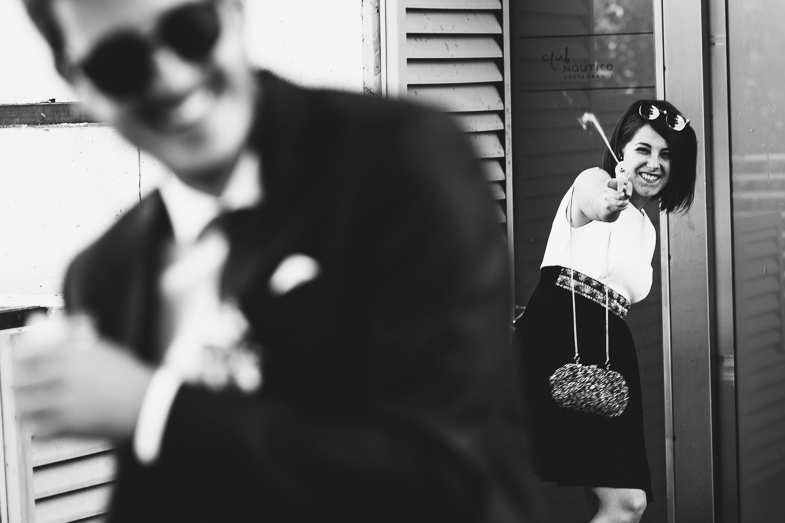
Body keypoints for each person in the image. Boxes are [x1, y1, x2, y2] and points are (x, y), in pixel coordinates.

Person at [13, 0, 537, 522]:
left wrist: (155, 409)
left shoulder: (398, 162)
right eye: (119, 63)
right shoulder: (105, 275)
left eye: (190, 29)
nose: (170, 76)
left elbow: (449, 480)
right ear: (77, 81)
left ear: (233, 11)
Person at [514, 100, 697, 523]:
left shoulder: (647, 229)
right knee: (627, 503)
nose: (654, 163)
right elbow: (599, 202)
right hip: (564, 337)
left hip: (608, 351)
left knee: (605, 499)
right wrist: (611, 200)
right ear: (620, 151)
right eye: (643, 150)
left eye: (667, 154)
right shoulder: (594, 180)